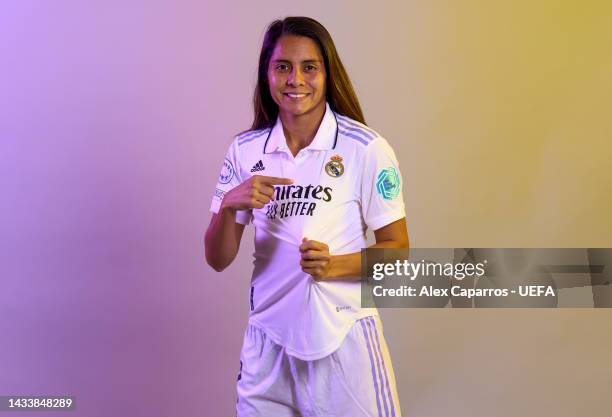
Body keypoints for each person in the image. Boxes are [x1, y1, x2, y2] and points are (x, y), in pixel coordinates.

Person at [205, 16, 408, 417]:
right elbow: (217, 258)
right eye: (283, 66)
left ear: (327, 73)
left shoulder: (364, 148)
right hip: (269, 345)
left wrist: (333, 266)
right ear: (267, 75)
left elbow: (398, 253)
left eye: (309, 67)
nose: (295, 79)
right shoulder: (245, 151)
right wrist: (230, 204)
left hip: (344, 341)